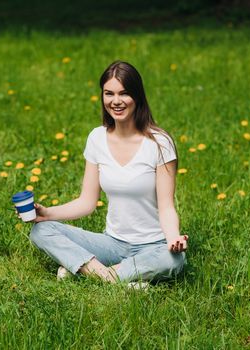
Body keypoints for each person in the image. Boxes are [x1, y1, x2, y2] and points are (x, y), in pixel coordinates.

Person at [27, 61, 188, 284]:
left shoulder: (159, 143)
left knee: (174, 260)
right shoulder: (97, 138)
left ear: (137, 96)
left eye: (124, 94)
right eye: (109, 94)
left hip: (152, 245)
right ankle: (113, 277)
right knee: (40, 231)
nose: (116, 101)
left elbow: (167, 206)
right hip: (112, 244)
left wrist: (173, 239)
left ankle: (86, 271)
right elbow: (86, 202)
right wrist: (47, 213)